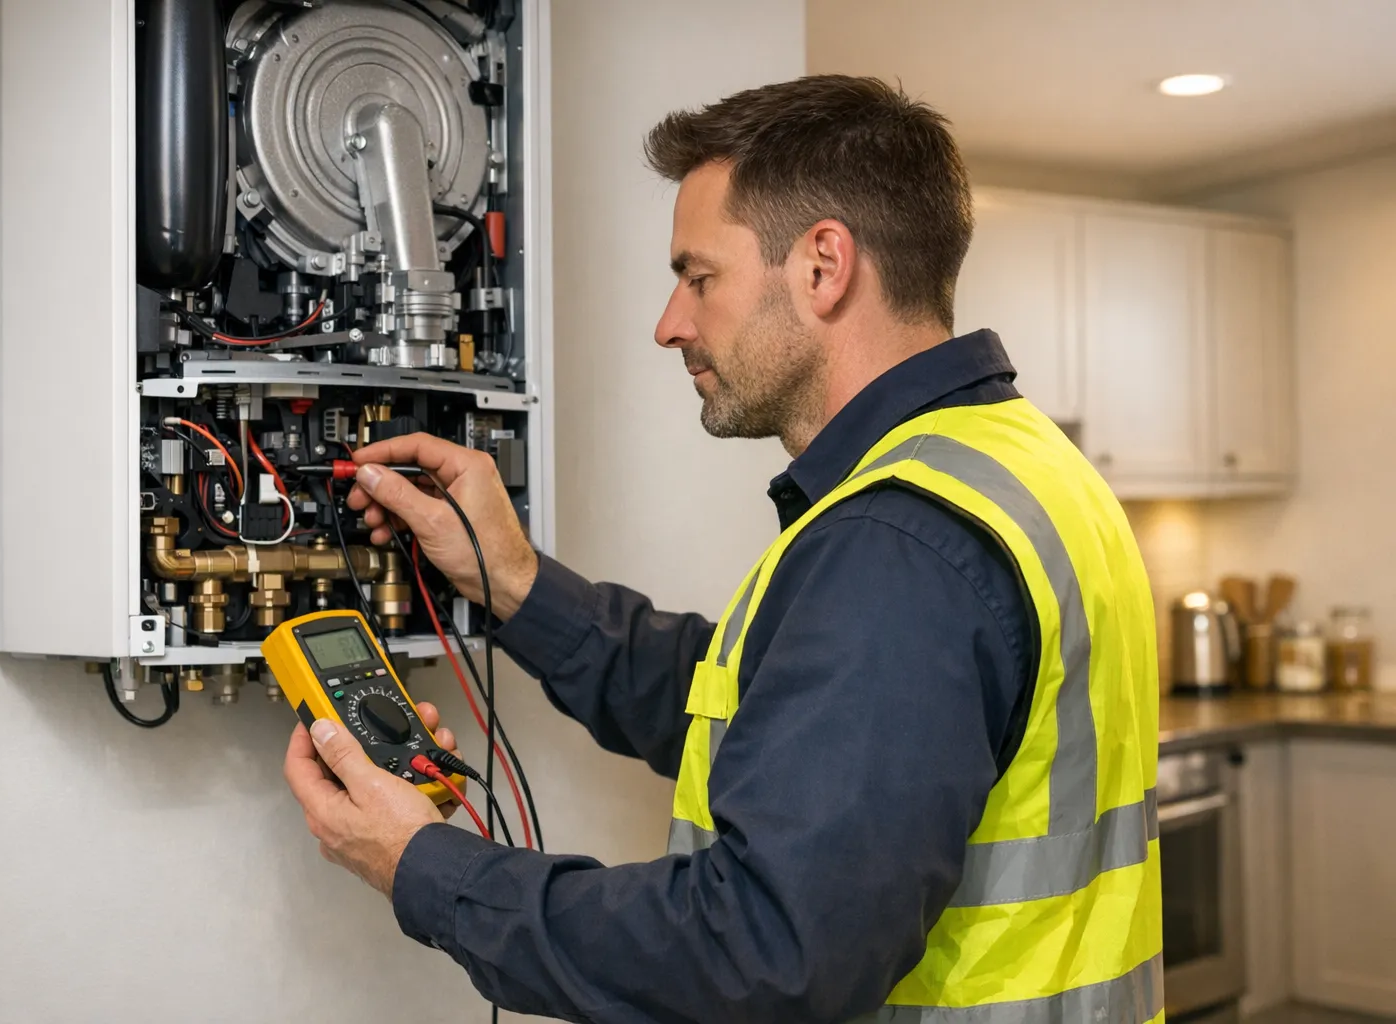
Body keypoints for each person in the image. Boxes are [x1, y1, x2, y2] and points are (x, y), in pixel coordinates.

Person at [283, 75, 1162, 1023]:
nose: (671, 324)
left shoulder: (898, 542)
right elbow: (776, 715)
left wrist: (427, 869)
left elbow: (760, 952)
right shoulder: (1017, 462)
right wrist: (514, 583)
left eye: (698, 277)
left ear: (824, 264)